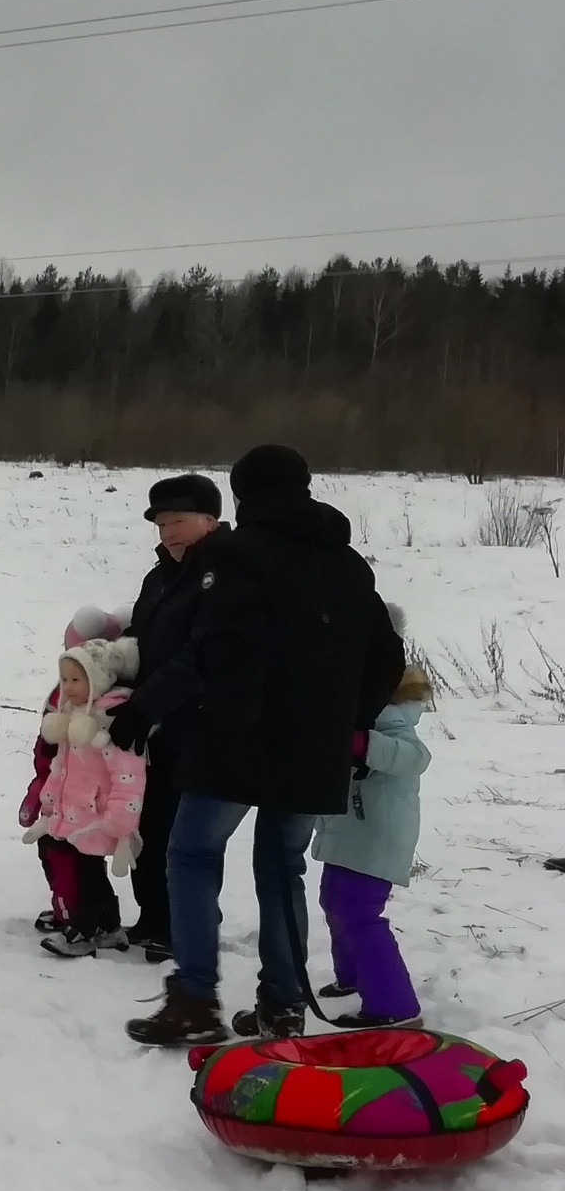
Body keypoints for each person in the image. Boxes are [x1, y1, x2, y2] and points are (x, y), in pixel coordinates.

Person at [127, 445, 405, 1047]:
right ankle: (282, 1007)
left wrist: (149, 708)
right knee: (281, 870)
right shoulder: (349, 563)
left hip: (236, 740)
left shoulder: (232, 556)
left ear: (243, 492)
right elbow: (387, 659)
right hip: (314, 748)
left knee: (193, 856)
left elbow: (212, 650)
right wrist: (343, 720)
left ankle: (195, 999)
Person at [112, 474, 225, 961]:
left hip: (200, 723)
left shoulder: (222, 573)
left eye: (177, 520)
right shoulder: (159, 577)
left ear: (211, 520)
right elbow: (139, 641)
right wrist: (103, 676)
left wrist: (145, 706)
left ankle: (187, 926)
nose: (168, 532)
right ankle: (154, 916)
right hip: (151, 724)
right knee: (147, 822)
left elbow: (202, 655)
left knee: (185, 836)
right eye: (160, 524)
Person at [312, 630, 432, 1029]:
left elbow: (415, 756)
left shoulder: (388, 714)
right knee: (335, 901)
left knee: (358, 911)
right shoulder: (359, 707)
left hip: (376, 835)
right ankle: (353, 976)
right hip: (350, 832)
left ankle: (393, 1003)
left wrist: (363, 745)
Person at [20, 634, 146, 958]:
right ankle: (109, 926)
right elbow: (60, 768)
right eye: (64, 679)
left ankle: (84, 931)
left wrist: (122, 816)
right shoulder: (73, 717)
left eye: (77, 679)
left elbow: (128, 773)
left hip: (99, 815)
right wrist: (49, 802)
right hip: (74, 812)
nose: (68, 686)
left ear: (99, 680)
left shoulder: (111, 721)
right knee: (88, 871)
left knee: (85, 873)